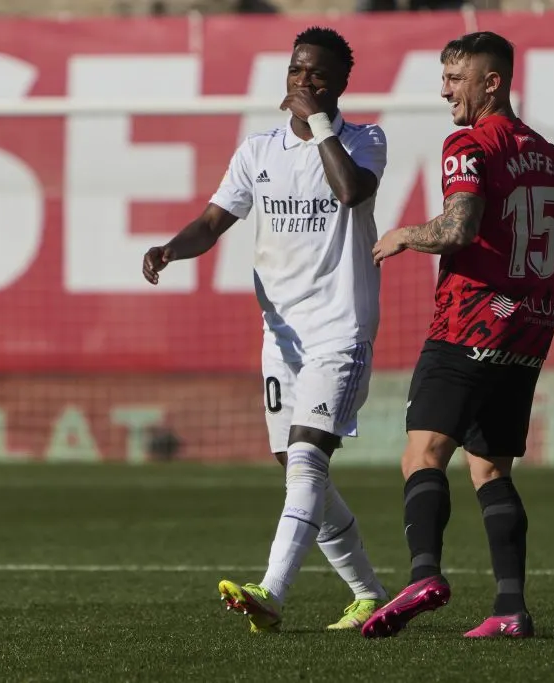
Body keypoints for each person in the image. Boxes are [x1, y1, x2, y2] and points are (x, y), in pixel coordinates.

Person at [142, 26, 390, 633]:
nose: (303, 81)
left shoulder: (364, 140)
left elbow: (352, 191)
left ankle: (271, 594)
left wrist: (322, 126)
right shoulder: (258, 151)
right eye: (296, 70)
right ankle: (370, 593)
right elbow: (211, 221)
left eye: (318, 74)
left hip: (339, 329)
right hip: (280, 337)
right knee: (296, 464)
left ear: (339, 85)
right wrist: (171, 249)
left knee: (308, 458)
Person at [360, 31, 554, 639]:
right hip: (530, 327)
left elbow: (460, 227)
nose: (445, 91)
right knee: (491, 469)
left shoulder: (469, 142)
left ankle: (424, 574)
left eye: (456, 78)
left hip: (468, 323)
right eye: (443, 78)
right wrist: (521, 285)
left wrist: (406, 234)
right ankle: (511, 610)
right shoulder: (549, 155)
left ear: (492, 82)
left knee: (423, 454)